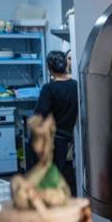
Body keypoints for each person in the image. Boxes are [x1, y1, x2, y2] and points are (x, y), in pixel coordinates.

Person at [31, 50, 78, 193]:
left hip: (53, 142)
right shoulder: (75, 85)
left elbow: (39, 117)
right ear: (65, 65)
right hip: (70, 139)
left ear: (49, 68)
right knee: (68, 177)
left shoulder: (49, 89)